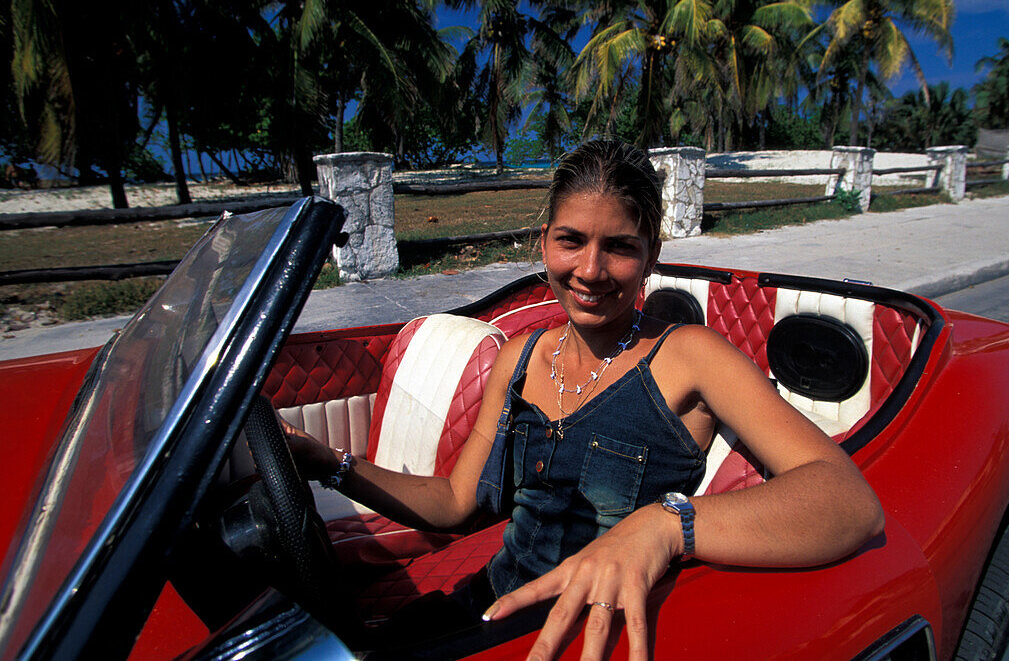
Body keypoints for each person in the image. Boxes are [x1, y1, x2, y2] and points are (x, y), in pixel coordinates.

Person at [285, 139, 885, 658]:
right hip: (487, 609)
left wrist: (664, 526)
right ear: (542, 242)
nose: (591, 270)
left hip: (593, 628)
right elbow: (454, 502)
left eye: (619, 247)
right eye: (570, 240)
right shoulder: (519, 358)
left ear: (651, 254)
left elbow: (848, 502)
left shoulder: (688, 356)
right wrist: (330, 465)